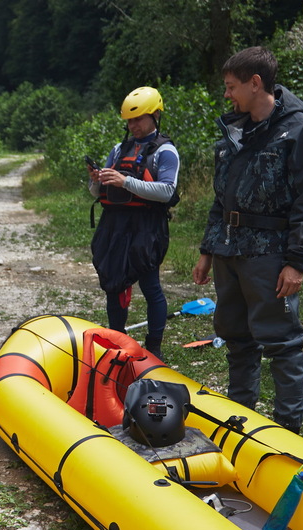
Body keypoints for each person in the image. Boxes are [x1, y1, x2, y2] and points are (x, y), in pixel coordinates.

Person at [191, 47, 303, 434]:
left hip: (270, 254)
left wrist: (295, 262)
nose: (226, 94)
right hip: (229, 251)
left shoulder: (302, 131)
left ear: (255, 83)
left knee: (281, 343)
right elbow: (221, 198)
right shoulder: (235, 132)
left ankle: (288, 430)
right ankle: (240, 419)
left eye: (231, 86)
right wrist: (207, 250)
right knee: (236, 337)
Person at [88, 87, 180, 360]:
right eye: (129, 120)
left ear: (155, 116)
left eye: (138, 119)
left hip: (147, 226)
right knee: (114, 284)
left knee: (150, 286)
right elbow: (96, 193)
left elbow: (167, 191)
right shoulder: (119, 149)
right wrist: (96, 181)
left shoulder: (166, 152)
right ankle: (117, 342)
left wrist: (125, 181)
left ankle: (154, 347)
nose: (133, 125)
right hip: (115, 225)